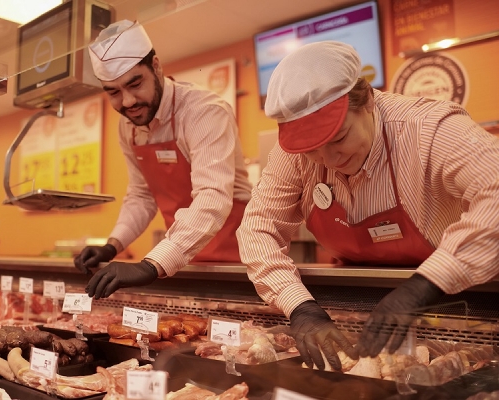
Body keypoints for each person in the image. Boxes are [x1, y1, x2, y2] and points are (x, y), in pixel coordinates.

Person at [236, 41, 499, 372]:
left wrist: (425, 284)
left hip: (459, 303)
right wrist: (300, 306)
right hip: (361, 309)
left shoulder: (428, 128)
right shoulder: (292, 156)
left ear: (368, 101)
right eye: (312, 151)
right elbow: (258, 229)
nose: (329, 159)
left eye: (339, 138)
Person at [76, 20, 252, 299]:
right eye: (113, 92)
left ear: (156, 66)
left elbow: (213, 197)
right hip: (179, 260)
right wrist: (112, 245)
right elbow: (142, 195)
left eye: (135, 83)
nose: (128, 101)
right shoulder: (128, 127)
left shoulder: (203, 111)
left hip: (237, 261)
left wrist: (152, 264)